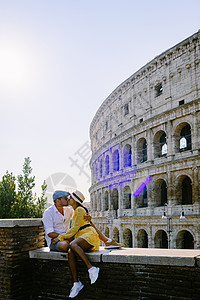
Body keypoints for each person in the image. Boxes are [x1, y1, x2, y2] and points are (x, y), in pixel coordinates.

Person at [52, 190, 101, 298]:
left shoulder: (79, 210)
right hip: (82, 237)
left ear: (74, 200)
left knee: (72, 245)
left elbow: (73, 230)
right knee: (70, 252)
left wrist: (59, 237)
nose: (68, 199)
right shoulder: (75, 211)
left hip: (88, 235)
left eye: (70, 197)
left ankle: (91, 268)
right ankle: (76, 282)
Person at [42, 190, 124, 252]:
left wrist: (88, 218)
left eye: (69, 198)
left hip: (68, 236)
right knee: (65, 245)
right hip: (56, 240)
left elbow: (80, 218)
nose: (68, 199)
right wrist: (65, 237)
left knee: (88, 224)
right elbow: (50, 233)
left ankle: (107, 240)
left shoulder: (68, 210)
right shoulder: (48, 212)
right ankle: (107, 241)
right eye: (65, 198)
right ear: (58, 200)